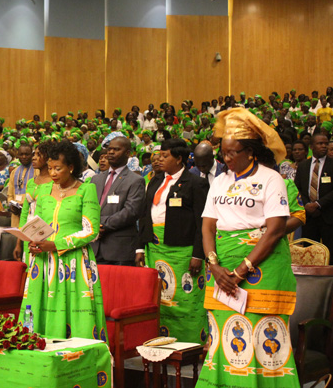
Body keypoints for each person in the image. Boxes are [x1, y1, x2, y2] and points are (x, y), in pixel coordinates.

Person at [197, 108, 299, 388]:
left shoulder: (271, 178)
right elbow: (208, 226)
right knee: (223, 336)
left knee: (261, 337)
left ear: (250, 151)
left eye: (232, 153)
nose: (226, 158)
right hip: (221, 269)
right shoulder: (219, 181)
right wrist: (214, 265)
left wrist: (241, 270)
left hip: (261, 267)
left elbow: (276, 229)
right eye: (223, 153)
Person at [18, 140, 105, 341]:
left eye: (58, 168)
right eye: (50, 168)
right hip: (42, 262)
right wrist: (33, 241)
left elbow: (90, 231)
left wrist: (56, 245)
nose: (53, 173)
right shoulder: (44, 190)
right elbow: (36, 223)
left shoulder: (86, 190)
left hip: (73, 262)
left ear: (71, 167)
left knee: (76, 312)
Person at [138, 139, 208, 343]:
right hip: (155, 248)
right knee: (161, 297)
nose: (159, 159)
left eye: (165, 155)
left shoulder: (196, 183)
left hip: (183, 251)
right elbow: (144, 215)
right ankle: (160, 340)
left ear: (179, 159)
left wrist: (198, 254)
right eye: (159, 154)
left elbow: (201, 222)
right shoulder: (155, 180)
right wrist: (139, 248)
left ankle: (190, 343)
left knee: (184, 300)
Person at [90, 137, 145, 266]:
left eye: (116, 149)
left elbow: (131, 212)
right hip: (94, 247)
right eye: (109, 149)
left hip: (119, 249)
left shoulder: (135, 180)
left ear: (128, 153)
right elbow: (89, 206)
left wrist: (102, 225)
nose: (111, 152)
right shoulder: (96, 179)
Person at [294, 132, 333, 257]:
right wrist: (307, 205)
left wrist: (318, 204)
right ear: (311, 146)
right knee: (309, 253)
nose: (324, 146)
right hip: (309, 217)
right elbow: (297, 188)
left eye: (326, 144)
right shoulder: (303, 166)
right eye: (320, 143)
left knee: (330, 254)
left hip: (328, 216)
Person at [6, 144, 35, 227]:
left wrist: (25, 207)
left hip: (31, 212)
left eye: (27, 154)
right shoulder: (14, 172)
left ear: (32, 155)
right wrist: (11, 205)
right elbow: (10, 194)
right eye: (21, 154)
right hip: (16, 213)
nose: (24, 157)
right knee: (16, 237)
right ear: (17, 155)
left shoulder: (37, 171)